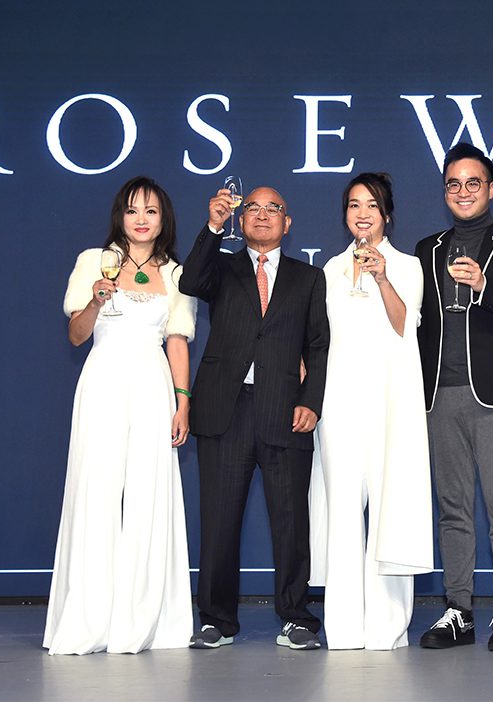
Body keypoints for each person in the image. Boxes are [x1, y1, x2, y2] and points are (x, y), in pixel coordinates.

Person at [43, 176, 197, 655]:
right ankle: (90, 620)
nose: (142, 219)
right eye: (133, 210)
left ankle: (143, 619)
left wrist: (183, 400)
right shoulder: (94, 260)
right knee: (98, 493)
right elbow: (75, 335)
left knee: (150, 496)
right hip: (103, 383)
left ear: (163, 218)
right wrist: (95, 298)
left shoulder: (176, 273)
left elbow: (176, 340)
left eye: (151, 211)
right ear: (120, 216)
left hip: (153, 387)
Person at [180, 185, 329, 651]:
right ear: (241, 222)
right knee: (220, 521)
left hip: (286, 411)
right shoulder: (221, 268)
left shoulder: (309, 278)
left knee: (290, 520)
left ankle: (296, 617)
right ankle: (216, 618)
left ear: (288, 223)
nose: (262, 216)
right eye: (253, 209)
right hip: (225, 408)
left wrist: (311, 400)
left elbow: (319, 345)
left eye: (273, 209)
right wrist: (212, 226)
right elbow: (188, 282)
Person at [415, 143, 493, 652]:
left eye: (473, 182)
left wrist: (485, 284)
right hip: (439, 395)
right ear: (444, 191)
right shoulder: (426, 248)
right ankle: (458, 609)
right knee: (451, 508)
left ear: (490, 189)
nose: (463, 191)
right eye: (453, 183)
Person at [308, 173, 433, 650]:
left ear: (386, 214)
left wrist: (382, 276)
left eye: (372, 205)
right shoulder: (330, 272)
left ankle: (386, 626)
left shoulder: (408, 265)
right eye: (354, 205)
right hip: (339, 402)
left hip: (390, 401)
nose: (363, 213)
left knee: (388, 507)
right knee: (342, 509)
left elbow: (405, 326)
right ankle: (342, 626)